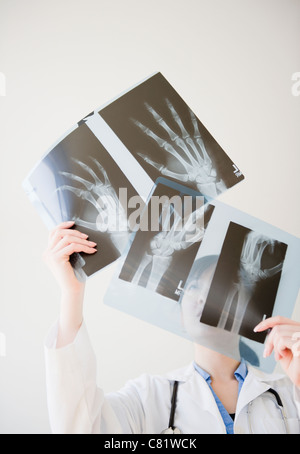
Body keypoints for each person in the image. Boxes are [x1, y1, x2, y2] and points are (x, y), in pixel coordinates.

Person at [43, 221, 300, 434]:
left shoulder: (289, 392)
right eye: (194, 287)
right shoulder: (147, 398)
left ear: (247, 308)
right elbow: (80, 428)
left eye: (220, 289)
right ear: (180, 315)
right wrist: (71, 293)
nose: (203, 297)